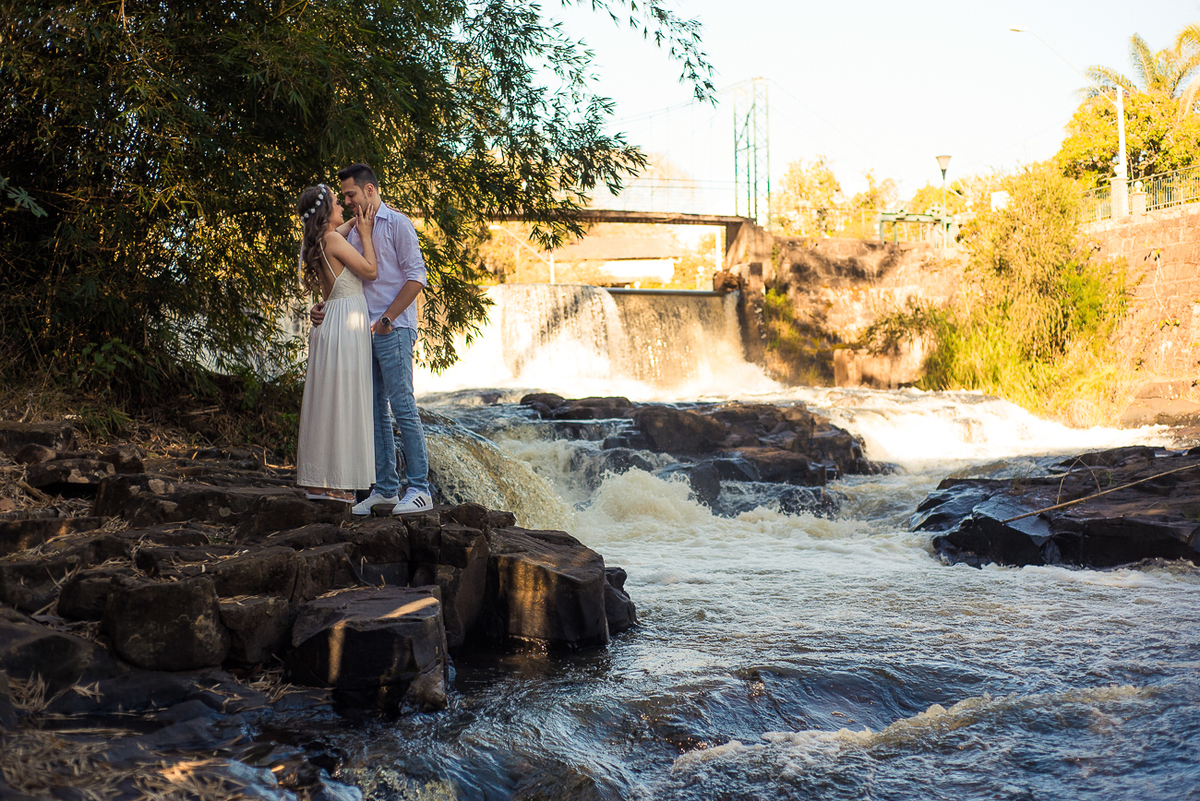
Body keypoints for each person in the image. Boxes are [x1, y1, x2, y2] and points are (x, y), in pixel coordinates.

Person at [311, 163, 433, 515]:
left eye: (350, 194)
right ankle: (385, 489)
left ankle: (421, 488)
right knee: (375, 411)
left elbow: (416, 278)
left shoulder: (399, 224)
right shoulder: (350, 234)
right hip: (358, 333)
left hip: (392, 329)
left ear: (369, 190)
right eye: (343, 196)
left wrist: (386, 320)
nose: (347, 201)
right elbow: (343, 284)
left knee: (403, 406)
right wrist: (322, 307)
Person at [294, 184, 378, 501]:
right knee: (343, 403)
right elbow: (370, 271)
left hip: (330, 320)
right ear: (327, 211)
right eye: (336, 202)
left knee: (325, 404)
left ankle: (317, 483)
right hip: (345, 326)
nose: (342, 205)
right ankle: (341, 485)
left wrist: (360, 215)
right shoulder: (332, 240)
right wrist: (367, 235)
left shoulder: (321, 239)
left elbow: (343, 226)